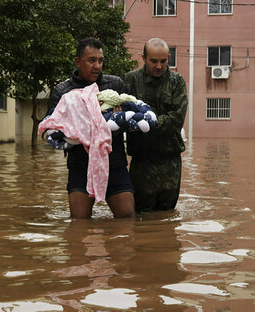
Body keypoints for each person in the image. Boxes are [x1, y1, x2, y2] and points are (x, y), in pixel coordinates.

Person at [45, 37, 135, 219]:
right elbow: (50, 130)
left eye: (100, 61)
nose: (97, 66)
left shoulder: (115, 86)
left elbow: (131, 118)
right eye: (91, 60)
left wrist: (118, 120)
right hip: (80, 166)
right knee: (79, 224)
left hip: (114, 164)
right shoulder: (63, 92)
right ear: (78, 61)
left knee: (127, 220)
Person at [123, 38, 188, 212]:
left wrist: (145, 122)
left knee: (167, 214)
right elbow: (121, 113)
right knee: (139, 214)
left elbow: (176, 119)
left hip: (169, 161)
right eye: (153, 61)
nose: (159, 66)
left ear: (168, 57)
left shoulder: (177, 82)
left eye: (163, 61)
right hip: (141, 161)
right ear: (143, 58)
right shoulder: (130, 80)